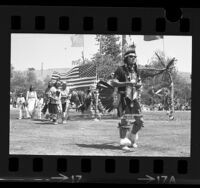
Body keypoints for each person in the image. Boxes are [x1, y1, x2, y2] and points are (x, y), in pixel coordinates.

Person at [110, 45, 144, 151]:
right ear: (126, 58)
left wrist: (139, 85)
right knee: (125, 121)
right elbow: (113, 82)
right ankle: (123, 142)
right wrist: (127, 83)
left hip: (134, 98)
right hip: (124, 97)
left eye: (134, 56)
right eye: (131, 56)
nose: (133, 58)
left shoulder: (136, 70)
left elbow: (139, 82)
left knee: (140, 121)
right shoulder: (120, 69)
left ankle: (131, 138)